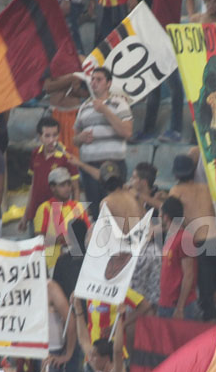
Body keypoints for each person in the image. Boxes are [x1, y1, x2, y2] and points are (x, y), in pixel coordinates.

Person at [169, 155, 216, 322]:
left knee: (205, 292)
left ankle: (213, 329)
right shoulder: (206, 187)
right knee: (214, 282)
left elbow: (170, 213)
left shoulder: (176, 191)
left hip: (201, 243)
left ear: (175, 175)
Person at [130, 0, 184, 143]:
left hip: (165, 38)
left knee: (174, 86)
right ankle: (148, 130)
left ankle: (175, 130)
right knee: (154, 87)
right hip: (157, 36)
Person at [73, 67, 133, 219]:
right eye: (92, 79)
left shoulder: (119, 103)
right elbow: (74, 139)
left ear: (108, 83)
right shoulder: (84, 106)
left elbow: (127, 132)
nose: (94, 83)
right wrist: (80, 138)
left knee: (117, 211)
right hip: (90, 166)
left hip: (114, 165)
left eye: (99, 79)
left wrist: (105, 110)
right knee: (96, 212)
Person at [20, 117, 81, 232]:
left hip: (58, 215)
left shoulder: (67, 155)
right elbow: (33, 186)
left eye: (55, 135)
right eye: (47, 136)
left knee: (55, 249)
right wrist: (25, 216)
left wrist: (75, 215)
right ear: (40, 137)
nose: (52, 140)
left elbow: (76, 189)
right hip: (36, 212)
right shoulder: (35, 154)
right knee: (36, 248)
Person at [73, 295, 127, 372]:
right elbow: (83, 341)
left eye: (95, 356)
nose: (90, 358)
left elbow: (118, 350)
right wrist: (78, 309)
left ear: (107, 359)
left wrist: (119, 320)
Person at [34, 167, 91, 270]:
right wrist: (61, 240)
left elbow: (88, 232)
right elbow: (38, 240)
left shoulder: (78, 206)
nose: (67, 188)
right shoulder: (45, 208)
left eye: (69, 184)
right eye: (62, 185)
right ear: (52, 187)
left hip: (77, 263)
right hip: (52, 265)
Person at [158, 196, 200, 320]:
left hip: (179, 305)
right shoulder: (170, 238)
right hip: (166, 303)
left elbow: (189, 274)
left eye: (160, 213)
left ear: (166, 217)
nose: (159, 217)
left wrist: (180, 307)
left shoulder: (185, 238)